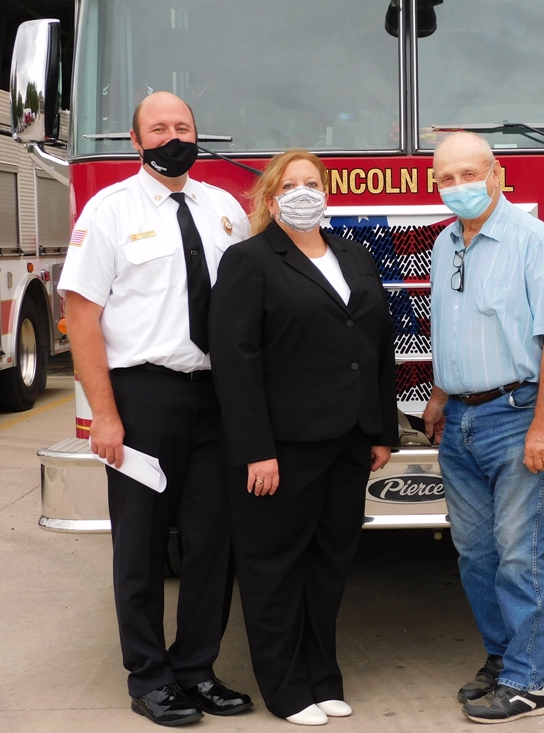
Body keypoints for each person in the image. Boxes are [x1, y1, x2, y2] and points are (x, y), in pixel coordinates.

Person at [60, 91, 253, 726]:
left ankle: (197, 670)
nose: (174, 136)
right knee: (141, 546)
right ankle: (149, 678)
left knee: (213, 542)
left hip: (216, 397)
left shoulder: (225, 209)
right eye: (160, 127)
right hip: (143, 396)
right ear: (136, 140)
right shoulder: (109, 211)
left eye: (184, 126)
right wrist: (104, 415)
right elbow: (81, 317)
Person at [208, 149, 398, 727]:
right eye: (289, 185)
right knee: (274, 568)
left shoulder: (354, 254)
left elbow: (376, 345)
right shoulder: (249, 260)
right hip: (283, 447)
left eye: (311, 183)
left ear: (326, 191)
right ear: (271, 199)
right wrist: (256, 450)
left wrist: (380, 430)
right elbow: (235, 360)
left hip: (348, 441)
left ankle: (322, 678)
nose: (302, 193)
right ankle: (286, 689)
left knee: (329, 564)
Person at [421, 132, 544, 724]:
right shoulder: (444, 245)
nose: (458, 186)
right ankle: (502, 658)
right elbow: (450, 328)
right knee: (474, 552)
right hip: (459, 418)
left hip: (517, 417)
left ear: (496, 173)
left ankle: (530, 682)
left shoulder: (535, 242)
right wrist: (440, 397)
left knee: (518, 553)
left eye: (469, 173)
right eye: (446, 178)